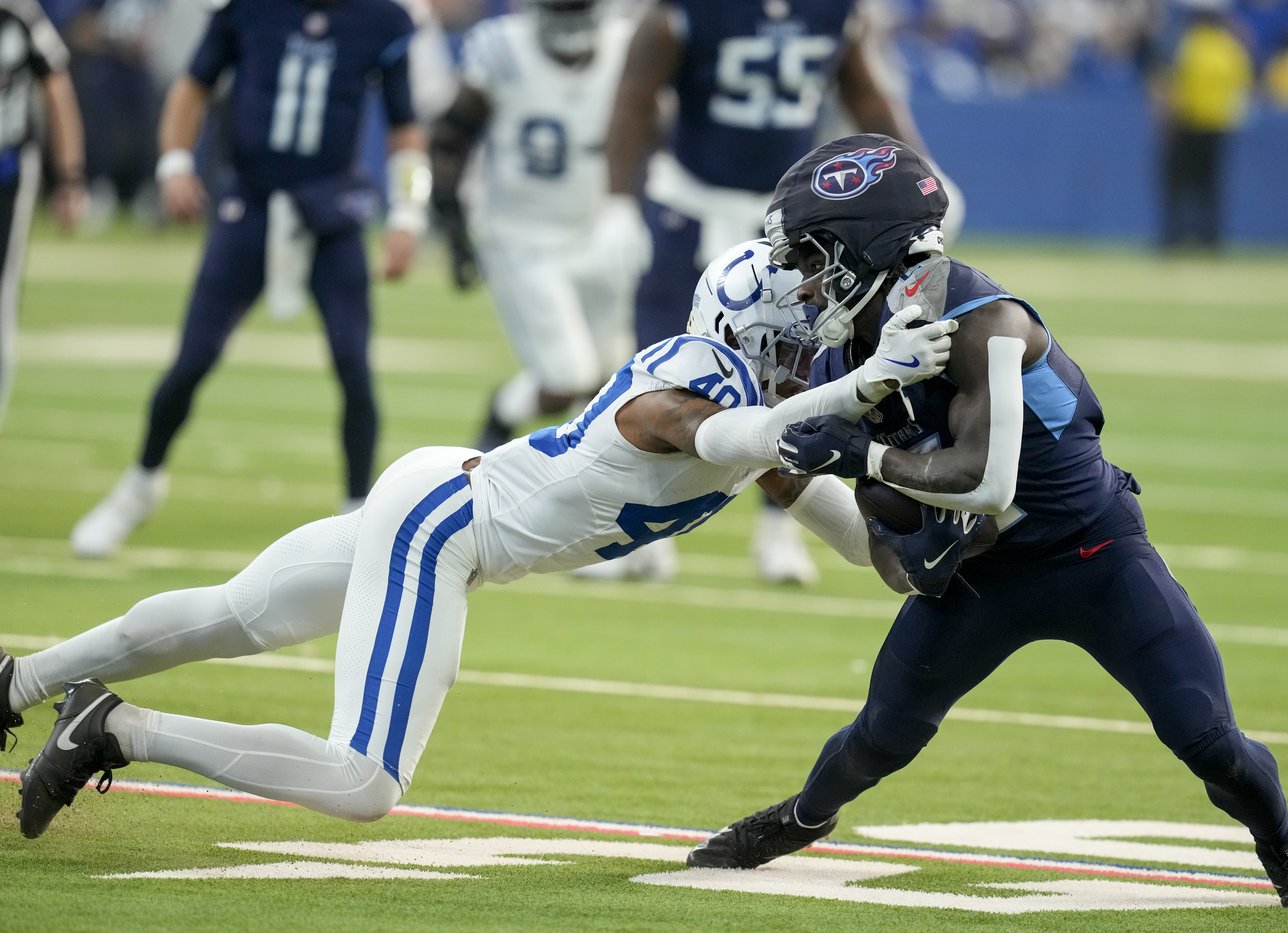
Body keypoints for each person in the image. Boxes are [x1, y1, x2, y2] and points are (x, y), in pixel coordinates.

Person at [2, 238, 957, 838]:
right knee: (365, 780)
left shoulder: (765, 416)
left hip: (443, 497)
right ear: (753, 330)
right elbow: (723, 436)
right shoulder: (691, 383)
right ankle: (117, 727)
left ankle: (20, 679)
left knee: (232, 613)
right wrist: (863, 388)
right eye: (802, 329)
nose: (820, 340)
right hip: (443, 529)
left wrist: (941, 547)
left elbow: (856, 541)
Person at [685, 135, 1288, 913]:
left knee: (1206, 738)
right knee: (878, 738)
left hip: (1094, 553)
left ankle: (1285, 839)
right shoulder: (846, 357)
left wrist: (860, 457)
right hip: (982, 577)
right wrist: (899, 537)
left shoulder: (984, 318)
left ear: (868, 248)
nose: (801, 277)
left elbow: (987, 479)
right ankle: (798, 819)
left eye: (811, 255)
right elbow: (885, 546)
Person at [593, 0, 966, 585]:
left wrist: (920, 166)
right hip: (689, 204)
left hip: (793, 223)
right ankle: (645, 528)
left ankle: (779, 530)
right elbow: (633, 99)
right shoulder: (683, 13)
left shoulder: (833, 11)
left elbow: (866, 96)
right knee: (670, 366)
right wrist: (616, 201)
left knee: (797, 368)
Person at [67, 0, 433, 559]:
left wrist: (408, 215)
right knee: (191, 360)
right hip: (251, 203)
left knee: (354, 365)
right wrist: (174, 163)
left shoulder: (381, 18)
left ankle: (359, 513)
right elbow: (193, 85)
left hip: (330, 209)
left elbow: (406, 128)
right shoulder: (248, 8)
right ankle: (141, 482)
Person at [428, 0, 638, 452]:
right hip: (520, 234)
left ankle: (575, 480)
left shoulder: (625, 45)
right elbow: (450, 137)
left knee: (613, 376)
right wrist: (453, 225)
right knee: (568, 378)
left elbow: (653, 132)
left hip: (598, 229)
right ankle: (500, 417)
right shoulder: (502, 47)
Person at [0, 0, 85, 430]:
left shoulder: (19, 15)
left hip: (7, 173)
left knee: (1, 303)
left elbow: (57, 87)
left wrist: (69, 178)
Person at [1150, 4, 1253, 252]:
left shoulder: (1185, 42)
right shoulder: (1230, 46)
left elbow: (1167, 82)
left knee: (1178, 186)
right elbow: (1242, 89)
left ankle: (1173, 239)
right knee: (1210, 187)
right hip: (1217, 125)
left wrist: (1166, 118)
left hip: (1187, 123)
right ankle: (1210, 241)